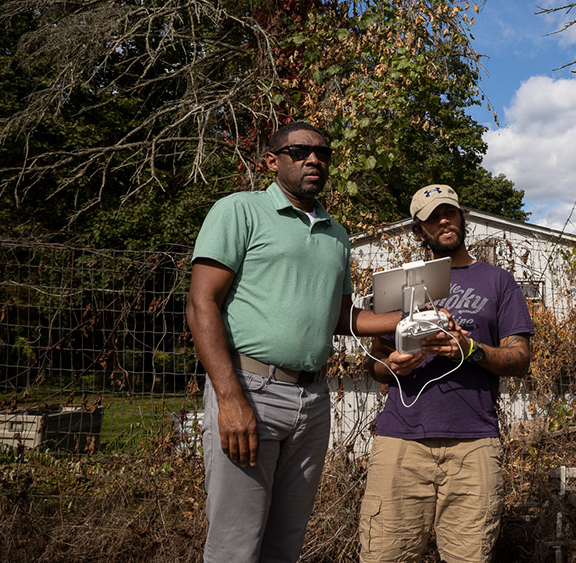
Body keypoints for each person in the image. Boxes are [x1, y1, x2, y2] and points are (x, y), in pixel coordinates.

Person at [187, 121, 402, 563]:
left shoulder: (336, 233)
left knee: (285, 544)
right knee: (235, 545)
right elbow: (201, 302)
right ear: (271, 161)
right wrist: (229, 398)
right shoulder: (239, 210)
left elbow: (339, 316)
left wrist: (404, 319)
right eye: (300, 151)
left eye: (323, 154)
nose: (313, 160)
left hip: (312, 399)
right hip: (250, 390)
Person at [358, 184, 534, 563]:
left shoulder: (498, 281)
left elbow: (520, 358)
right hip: (401, 441)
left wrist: (470, 350)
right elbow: (375, 364)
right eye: (432, 218)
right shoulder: (399, 285)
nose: (443, 222)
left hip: (473, 443)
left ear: (461, 217)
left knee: (470, 556)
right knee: (383, 555)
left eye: (449, 213)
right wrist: (394, 365)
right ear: (419, 230)